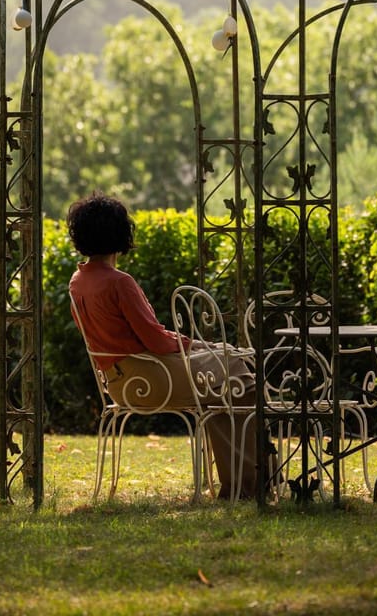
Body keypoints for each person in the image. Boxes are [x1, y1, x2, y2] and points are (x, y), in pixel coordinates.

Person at [67, 191, 260, 499]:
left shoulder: (78, 281)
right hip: (152, 379)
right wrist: (196, 345)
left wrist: (200, 348)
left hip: (119, 384)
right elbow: (155, 340)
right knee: (236, 369)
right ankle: (251, 484)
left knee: (226, 378)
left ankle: (240, 484)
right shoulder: (119, 282)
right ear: (121, 233)